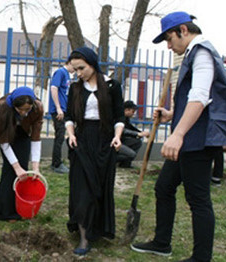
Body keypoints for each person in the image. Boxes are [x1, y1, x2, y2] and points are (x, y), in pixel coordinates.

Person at [131, 12, 226, 262]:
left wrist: (177, 134)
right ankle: (162, 243)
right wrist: (170, 115)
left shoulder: (201, 52)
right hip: (189, 137)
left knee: (198, 199)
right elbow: (193, 97)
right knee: (164, 187)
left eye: (169, 38)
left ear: (183, 30)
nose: (169, 46)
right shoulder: (190, 55)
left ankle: (201, 258)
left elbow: (200, 97)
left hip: (197, 141)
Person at [65, 46, 124, 255]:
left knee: (99, 187)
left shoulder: (112, 86)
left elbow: (119, 116)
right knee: (82, 188)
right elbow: (69, 116)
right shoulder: (75, 88)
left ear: (92, 63)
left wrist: (117, 137)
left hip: (105, 141)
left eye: (81, 68)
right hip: (81, 141)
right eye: (75, 70)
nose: (79, 73)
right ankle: (83, 237)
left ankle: (96, 228)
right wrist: (71, 134)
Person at [0, 87, 44, 221]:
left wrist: (36, 167)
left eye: (27, 109)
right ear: (14, 105)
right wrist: (16, 167)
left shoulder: (37, 108)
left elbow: (36, 137)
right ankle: (8, 212)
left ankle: (5, 207)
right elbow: (4, 141)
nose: (24, 113)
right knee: (11, 169)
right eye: (21, 110)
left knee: (23, 171)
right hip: (6, 135)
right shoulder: (4, 107)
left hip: (23, 133)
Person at [49, 59, 75, 173]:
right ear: (69, 63)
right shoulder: (60, 72)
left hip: (63, 110)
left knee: (60, 136)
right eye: (74, 67)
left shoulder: (67, 75)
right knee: (59, 137)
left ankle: (57, 162)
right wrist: (58, 108)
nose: (75, 70)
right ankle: (56, 164)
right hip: (58, 110)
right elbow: (54, 88)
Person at [117, 100, 150, 168]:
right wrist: (137, 134)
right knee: (132, 154)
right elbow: (123, 130)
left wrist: (141, 133)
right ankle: (111, 160)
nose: (133, 113)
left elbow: (130, 127)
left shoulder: (126, 118)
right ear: (126, 110)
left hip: (122, 140)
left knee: (137, 142)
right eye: (133, 111)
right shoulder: (118, 117)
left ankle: (125, 164)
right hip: (115, 142)